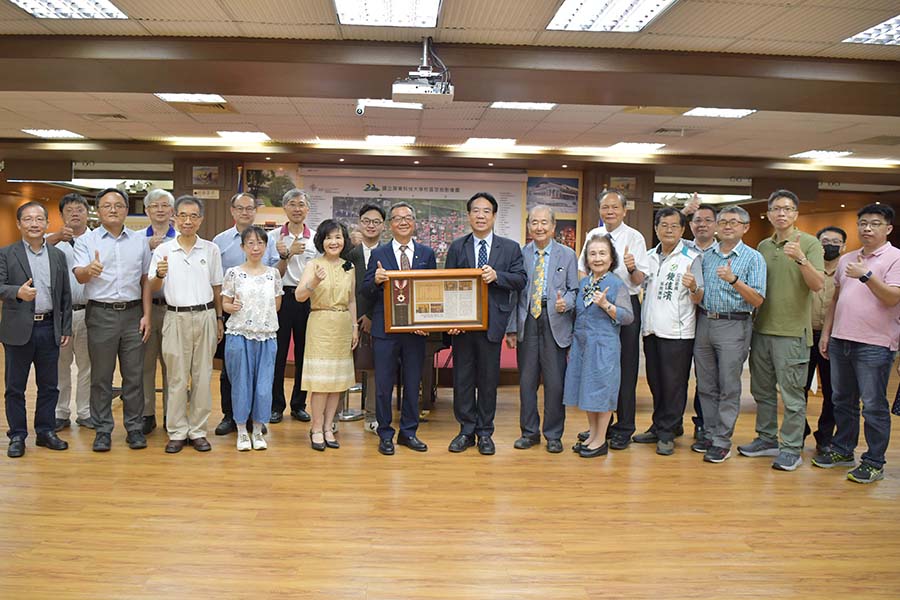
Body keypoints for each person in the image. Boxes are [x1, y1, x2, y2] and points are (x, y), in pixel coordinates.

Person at [738, 190, 824, 472]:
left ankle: (790, 448)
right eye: (776, 209)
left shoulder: (809, 244)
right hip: (762, 329)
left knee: (792, 396)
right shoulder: (762, 246)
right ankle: (766, 439)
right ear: (769, 214)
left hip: (792, 334)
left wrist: (800, 258)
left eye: (787, 209)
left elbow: (817, 285)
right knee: (761, 391)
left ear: (796, 214)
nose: (781, 213)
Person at [815, 204, 900, 484]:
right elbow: (836, 300)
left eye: (875, 224)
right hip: (841, 340)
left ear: (888, 229)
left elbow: (892, 298)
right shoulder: (847, 258)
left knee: (874, 405)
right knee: (842, 400)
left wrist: (866, 275)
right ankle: (843, 449)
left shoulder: (895, 258)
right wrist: (827, 333)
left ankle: (874, 461)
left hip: (874, 343)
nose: (867, 228)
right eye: (863, 223)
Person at [445, 192, 527, 455]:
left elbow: (520, 279)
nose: (480, 216)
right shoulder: (458, 246)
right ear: (469, 216)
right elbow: (447, 285)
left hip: (494, 322)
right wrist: (451, 320)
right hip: (464, 324)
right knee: (463, 378)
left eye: (486, 211)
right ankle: (466, 431)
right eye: (476, 211)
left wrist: (498, 276)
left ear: (493, 216)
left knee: (488, 380)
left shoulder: (510, 247)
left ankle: (485, 432)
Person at [73, 188, 152, 452]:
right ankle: (103, 430)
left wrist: (147, 316)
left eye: (118, 205)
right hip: (101, 314)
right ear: (99, 210)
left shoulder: (139, 240)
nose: (113, 210)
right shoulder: (87, 241)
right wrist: (89, 270)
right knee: (101, 377)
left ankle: (134, 428)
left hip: (132, 314)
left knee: (134, 376)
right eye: (107, 206)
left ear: (127, 210)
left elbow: (145, 281)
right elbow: (80, 276)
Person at [149, 196, 223, 454]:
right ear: (175, 218)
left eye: (193, 216)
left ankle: (198, 431)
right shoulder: (163, 250)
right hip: (175, 317)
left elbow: (217, 287)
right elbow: (154, 287)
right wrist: (159, 274)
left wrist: (219, 317)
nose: (188, 220)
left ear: (200, 219)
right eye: (183, 215)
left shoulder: (211, 249)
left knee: (203, 376)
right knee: (177, 378)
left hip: (205, 316)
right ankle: (178, 431)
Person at [691, 206, 766, 463]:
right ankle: (710, 434)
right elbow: (699, 292)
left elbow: (757, 300)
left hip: (734, 325)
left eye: (734, 222)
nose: (727, 226)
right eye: (722, 222)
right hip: (704, 322)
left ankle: (723, 440)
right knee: (706, 385)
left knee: (728, 386)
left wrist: (734, 280)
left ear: (745, 227)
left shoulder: (753, 258)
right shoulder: (707, 256)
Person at [1, 202, 72, 458]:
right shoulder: (7, 254)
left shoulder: (57, 255)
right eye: (28, 219)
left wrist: (65, 327)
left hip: (49, 327)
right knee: (15, 387)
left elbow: (65, 295)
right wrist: (16, 292)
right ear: (19, 224)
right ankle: (17, 436)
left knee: (50, 385)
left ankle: (45, 431)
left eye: (39, 219)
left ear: (46, 224)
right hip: (18, 330)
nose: (34, 224)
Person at [579, 189, 649, 450]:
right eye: (605, 207)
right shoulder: (593, 236)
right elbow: (581, 267)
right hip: (595, 303)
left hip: (624, 303)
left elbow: (640, 280)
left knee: (625, 368)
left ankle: (624, 427)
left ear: (624, 211)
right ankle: (600, 427)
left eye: (614, 207)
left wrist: (631, 267)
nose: (609, 211)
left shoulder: (635, 237)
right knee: (598, 367)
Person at [364, 202, 436, 455]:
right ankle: (385, 433)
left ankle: (408, 432)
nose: (403, 222)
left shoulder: (427, 254)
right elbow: (365, 290)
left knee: (413, 381)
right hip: (385, 330)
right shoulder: (379, 254)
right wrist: (375, 280)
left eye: (408, 217)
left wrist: (427, 323)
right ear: (390, 225)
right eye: (397, 218)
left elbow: (432, 291)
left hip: (415, 331)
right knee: (383, 385)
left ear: (414, 222)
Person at [506, 205, 577, 454]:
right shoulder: (520, 254)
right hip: (527, 320)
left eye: (544, 222)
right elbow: (513, 294)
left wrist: (565, 303)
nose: (539, 227)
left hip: (555, 320)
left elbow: (574, 291)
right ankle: (529, 432)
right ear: (528, 227)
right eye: (534, 222)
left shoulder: (567, 255)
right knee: (527, 382)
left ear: (553, 226)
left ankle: (554, 434)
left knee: (555, 382)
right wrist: (512, 329)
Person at [635, 208, 704, 455]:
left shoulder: (692, 257)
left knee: (674, 384)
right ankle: (661, 425)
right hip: (652, 329)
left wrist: (694, 286)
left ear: (683, 230)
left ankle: (667, 431)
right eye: (664, 225)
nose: (669, 230)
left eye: (674, 226)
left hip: (678, 332)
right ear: (656, 228)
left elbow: (698, 297)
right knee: (655, 382)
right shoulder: (649, 256)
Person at [212, 192, 280, 435]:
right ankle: (230, 417)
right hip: (233, 318)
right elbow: (216, 285)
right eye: (239, 208)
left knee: (259, 376)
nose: (244, 212)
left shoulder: (268, 239)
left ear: (255, 211)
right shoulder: (220, 241)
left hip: (262, 319)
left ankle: (255, 420)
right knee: (231, 373)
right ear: (232, 211)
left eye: (249, 208)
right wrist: (221, 315)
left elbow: (274, 270)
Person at [566, 234, 634, 458]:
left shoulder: (616, 284)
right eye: (592, 253)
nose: (597, 258)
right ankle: (593, 435)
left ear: (611, 258)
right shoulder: (585, 282)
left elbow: (628, 317)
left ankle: (600, 440)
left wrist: (607, 306)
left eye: (602, 253)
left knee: (602, 393)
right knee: (587, 391)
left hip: (604, 346)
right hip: (582, 345)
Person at [295, 219, 359, 451]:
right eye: (329, 237)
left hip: (342, 325)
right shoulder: (313, 264)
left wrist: (354, 327)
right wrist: (315, 281)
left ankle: (329, 426)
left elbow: (352, 300)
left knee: (337, 383)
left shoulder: (348, 267)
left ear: (344, 240)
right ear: (321, 240)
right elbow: (299, 296)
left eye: (338, 237)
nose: (334, 241)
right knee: (321, 383)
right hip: (320, 323)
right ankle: (316, 428)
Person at [222, 226, 284, 451]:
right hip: (239, 335)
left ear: (266, 246)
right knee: (241, 384)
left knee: (264, 386)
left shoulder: (273, 274)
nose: (255, 247)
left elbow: (277, 304)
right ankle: (241, 432)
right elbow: (225, 304)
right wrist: (233, 306)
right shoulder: (233, 273)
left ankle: (258, 430)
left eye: (259, 243)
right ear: (242, 247)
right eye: (250, 243)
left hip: (267, 336)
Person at [270, 189, 317, 424]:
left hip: (308, 299)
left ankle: (299, 404)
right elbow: (270, 275)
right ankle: (276, 405)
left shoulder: (316, 237)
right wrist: (287, 255)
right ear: (285, 208)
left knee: (303, 353)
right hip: (281, 297)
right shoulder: (273, 237)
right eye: (292, 204)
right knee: (277, 354)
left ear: (308, 209)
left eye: (301, 204)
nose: (297, 208)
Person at [53, 193, 94, 431]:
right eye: (69, 210)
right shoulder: (53, 242)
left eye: (79, 209)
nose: (75, 213)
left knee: (87, 365)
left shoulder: (95, 240)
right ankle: (60, 412)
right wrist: (56, 236)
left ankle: (85, 411)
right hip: (61, 314)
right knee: (61, 365)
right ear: (61, 215)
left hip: (89, 311)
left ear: (87, 213)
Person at [805, 226, 845, 453]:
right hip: (805, 334)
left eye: (836, 241)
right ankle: (799, 431)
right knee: (798, 389)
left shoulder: (848, 271)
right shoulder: (808, 267)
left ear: (844, 246)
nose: (830, 245)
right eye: (825, 240)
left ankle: (825, 436)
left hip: (834, 338)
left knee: (831, 391)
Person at [348, 203, 385, 435]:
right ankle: (339, 411)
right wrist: (355, 317)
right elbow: (349, 289)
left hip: (377, 318)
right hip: (350, 317)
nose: (371, 225)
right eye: (366, 221)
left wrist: (370, 315)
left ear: (383, 225)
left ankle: (371, 414)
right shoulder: (349, 254)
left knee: (373, 369)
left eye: (376, 222)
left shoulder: (388, 252)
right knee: (344, 365)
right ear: (360, 223)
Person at [141, 188, 176, 434]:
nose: (160, 209)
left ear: (172, 211)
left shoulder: (182, 238)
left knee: (172, 366)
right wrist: (147, 248)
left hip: (174, 309)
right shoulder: (135, 239)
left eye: (165, 205)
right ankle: (146, 414)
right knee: (144, 365)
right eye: (155, 205)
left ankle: (171, 416)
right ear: (147, 211)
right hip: (146, 309)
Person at [683, 201, 718, 440]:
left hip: (709, 319)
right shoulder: (682, 249)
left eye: (707, 220)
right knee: (680, 373)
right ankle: (673, 421)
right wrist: (683, 210)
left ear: (715, 225)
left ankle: (704, 422)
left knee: (708, 375)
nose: (702, 225)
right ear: (690, 224)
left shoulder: (722, 252)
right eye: (697, 220)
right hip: (683, 319)